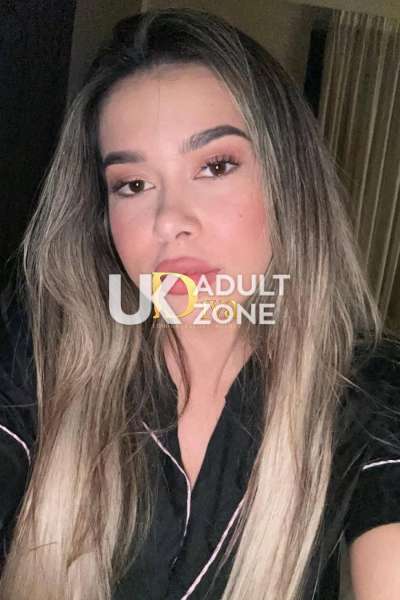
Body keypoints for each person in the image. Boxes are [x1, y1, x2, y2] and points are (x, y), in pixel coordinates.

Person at [0, 7, 400, 600]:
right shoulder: (38, 350)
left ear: (289, 183)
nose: (169, 221)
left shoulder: (369, 392)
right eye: (133, 184)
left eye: (215, 166)